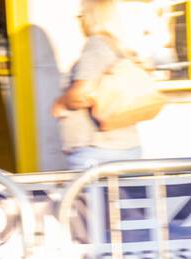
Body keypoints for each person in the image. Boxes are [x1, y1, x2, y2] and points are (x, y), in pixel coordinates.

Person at [52, 0, 145, 171]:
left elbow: (81, 94)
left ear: (90, 17)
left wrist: (61, 103)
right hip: (124, 146)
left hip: (97, 152)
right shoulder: (118, 46)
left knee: (88, 197)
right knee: (115, 198)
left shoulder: (96, 46)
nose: (79, 20)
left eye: (80, 15)